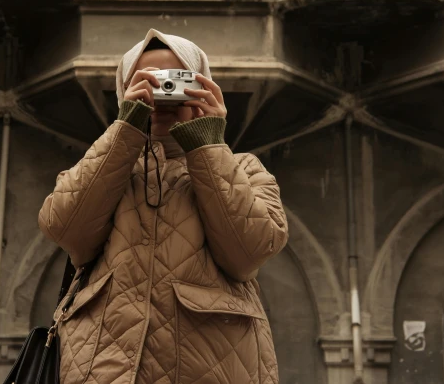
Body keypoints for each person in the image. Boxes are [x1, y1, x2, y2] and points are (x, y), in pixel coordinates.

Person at [38, 28, 288, 384]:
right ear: (125, 91)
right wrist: (125, 128)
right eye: (150, 81)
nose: (163, 92)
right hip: (104, 370)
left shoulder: (244, 169)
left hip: (211, 369)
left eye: (177, 79)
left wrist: (206, 143)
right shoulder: (105, 166)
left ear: (202, 85)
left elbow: (248, 253)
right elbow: (63, 228)